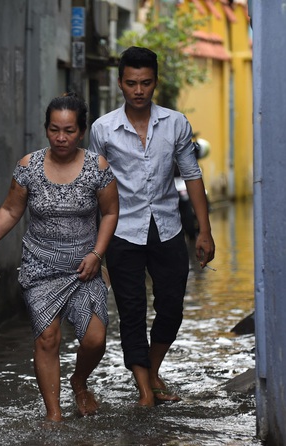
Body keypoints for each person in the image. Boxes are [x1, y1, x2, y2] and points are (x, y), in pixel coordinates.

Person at [0, 93, 119, 421]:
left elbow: (110, 213)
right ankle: (54, 415)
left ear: (81, 131)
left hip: (84, 266)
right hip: (40, 265)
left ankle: (79, 380)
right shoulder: (29, 166)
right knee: (48, 337)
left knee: (95, 338)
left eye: (68, 130)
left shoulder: (97, 166)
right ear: (46, 129)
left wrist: (97, 254)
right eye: (54, 130)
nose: (61, 138)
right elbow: (10, 209)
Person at [88, 46, 215, 407]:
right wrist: (95, 247)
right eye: (131, 83)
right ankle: (145, 388)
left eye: (145, 83)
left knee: (172, 307)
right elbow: (94, 187)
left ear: (155, 82)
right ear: (120, 84)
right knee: (130, 310)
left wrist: (204, 231)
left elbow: (192, 176)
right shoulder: (103, 129)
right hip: (121, 230)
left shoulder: (175, 123)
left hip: (168, 227)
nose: (138, 90)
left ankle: (153, 369)